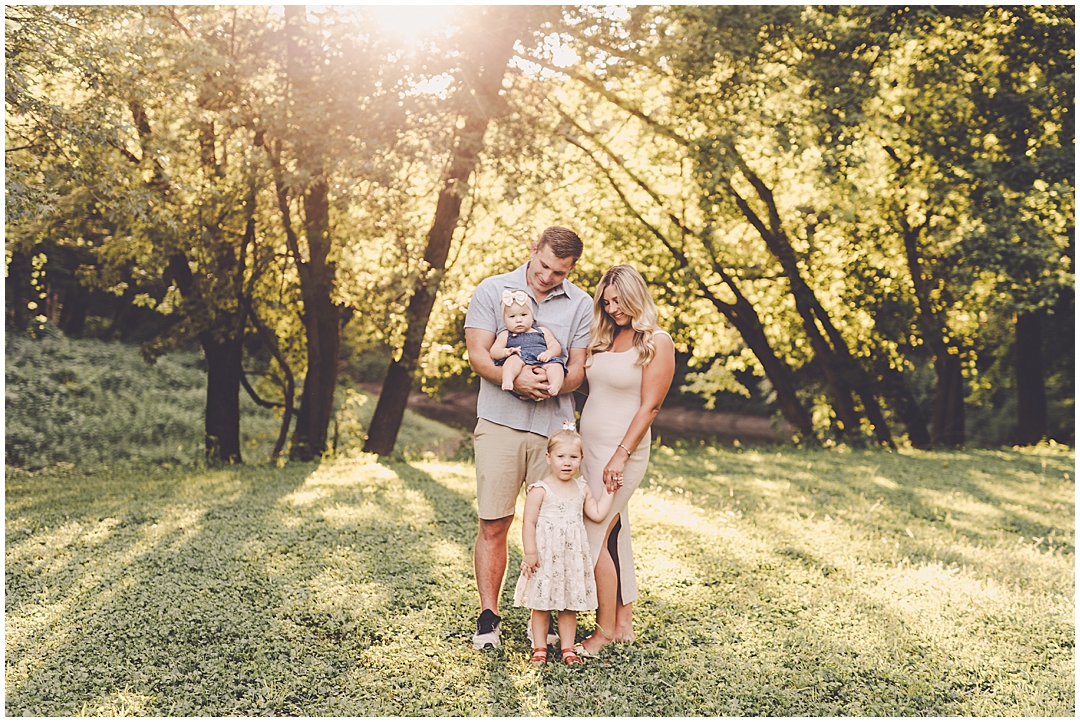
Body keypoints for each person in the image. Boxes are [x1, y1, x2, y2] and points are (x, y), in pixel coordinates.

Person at [463, 226, 593, 650]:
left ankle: (547, 617)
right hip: (500, 422)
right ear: (533, 250)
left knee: (555, 526)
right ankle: (489, 618)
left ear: (571, 269)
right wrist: (516, 380)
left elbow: (578, 370)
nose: (548, 277)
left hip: (555, 433)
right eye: (544, 266)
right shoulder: (492, 289)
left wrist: (552, 385)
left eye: (560, 272)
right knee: (494, 522)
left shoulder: (581, 304)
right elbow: (479, 355)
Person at [574, 264, 675, 658]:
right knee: (615, 531)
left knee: (594, 532)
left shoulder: (657, 341)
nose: (612, 308)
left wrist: (620, 455)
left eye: (618, 300)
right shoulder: (606, 337)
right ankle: (623, 624)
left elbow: (650, 407)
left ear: (636, 296)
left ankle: (602, 633)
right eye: (607, 301)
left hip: (622, 452)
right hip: (590, 448)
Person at [512, 425, 615, 666]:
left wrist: (609, 491)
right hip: (545, 558)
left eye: (573, 457)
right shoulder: (540, 490)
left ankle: (567, 648)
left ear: (581, 459)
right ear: (549, 458)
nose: (567, 462)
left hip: (570, 559)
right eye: (560, 456)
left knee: (568, 605)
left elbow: (597, 513)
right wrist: (530, 553)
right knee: (541, 604)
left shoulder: (582, 488)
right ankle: (539, 648)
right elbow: (529, 522)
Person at [490, 289, 566, 397]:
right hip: (520, 358)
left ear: (532, 316)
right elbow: (494, 351)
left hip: (542, 359)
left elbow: (555, 346)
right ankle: (508, 379)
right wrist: (505, 352)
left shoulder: (542, 331)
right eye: (512, 316)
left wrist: (549, 353)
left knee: (557, 365)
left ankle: (554, 385)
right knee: (511, 361)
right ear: (505, 321)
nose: (518, 320)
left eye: (524, 314)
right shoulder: (505, 334)